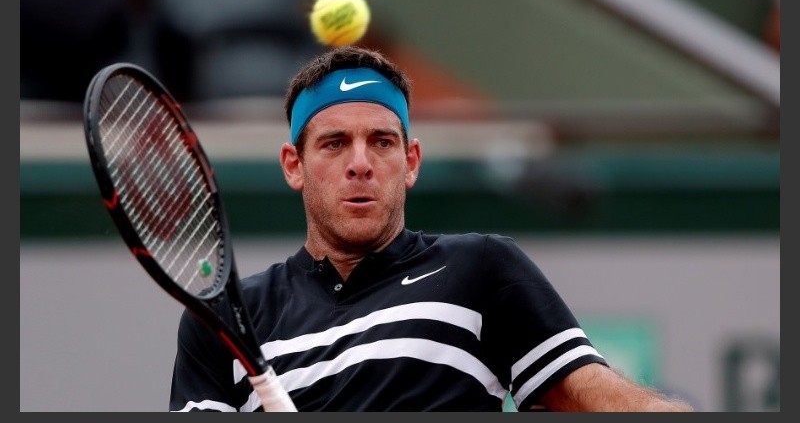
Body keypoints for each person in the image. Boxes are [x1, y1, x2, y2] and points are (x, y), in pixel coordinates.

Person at [169, 46, 693, 412]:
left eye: (382, 142)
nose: (360, 164)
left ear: (411, 161)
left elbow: (595, 396)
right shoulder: (223, 322)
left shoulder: (482, 269)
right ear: (293, 165)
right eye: (334, 144)